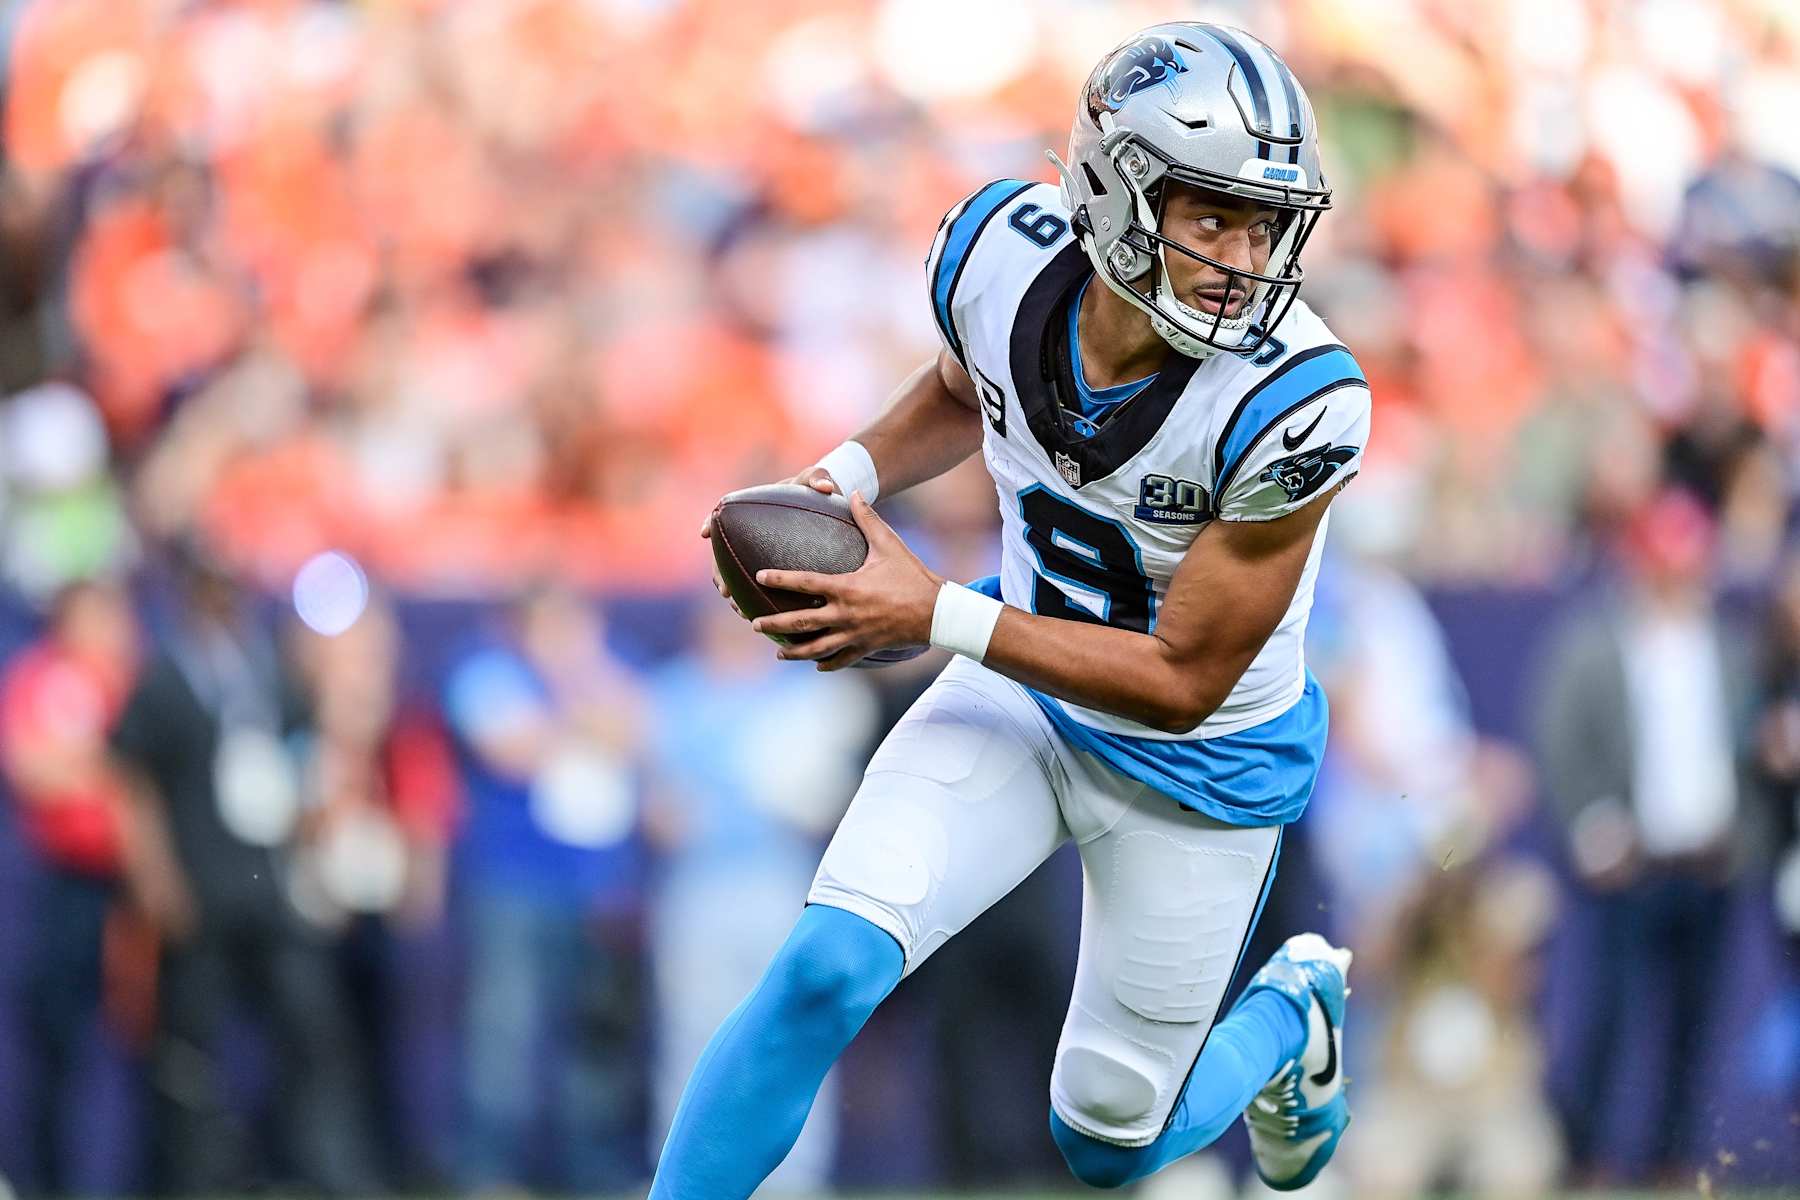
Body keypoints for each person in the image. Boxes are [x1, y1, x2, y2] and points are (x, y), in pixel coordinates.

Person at [655, 24, 1370, 1197]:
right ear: (1113, 190)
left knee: (1105, 1142)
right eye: (1210, 216)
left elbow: (1184, 678)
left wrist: (934, 613)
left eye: (1262, 223)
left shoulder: (1302, 401)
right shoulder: (999, 252)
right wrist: (844, 477)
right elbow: (962, 385)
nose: (1244, 257)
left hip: (1201, 763)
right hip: (1023, 688)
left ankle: (1292, 1011)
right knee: (825, 968)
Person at [109, 543, 381, 1196]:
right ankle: (197, 1179)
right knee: (193, 1043)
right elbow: (133, 779)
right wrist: (154, 875)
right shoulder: (165, 677)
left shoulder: (266, 672)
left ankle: (323, 1169)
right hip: (201, 880)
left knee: (310, 1026)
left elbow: (306, 756)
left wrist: (321, 841)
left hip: (272, 881)